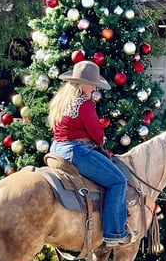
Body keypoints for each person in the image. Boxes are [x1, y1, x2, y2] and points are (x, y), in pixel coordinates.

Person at [48, 61, 133, 247]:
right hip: (76, 151)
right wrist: (100, 141)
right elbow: (97, 134)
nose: (94, 87)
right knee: (118, 181)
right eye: (92, 83)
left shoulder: (61, 101)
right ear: (81, 83)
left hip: (56, 149)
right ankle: (114, 233)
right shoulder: (84, 104)